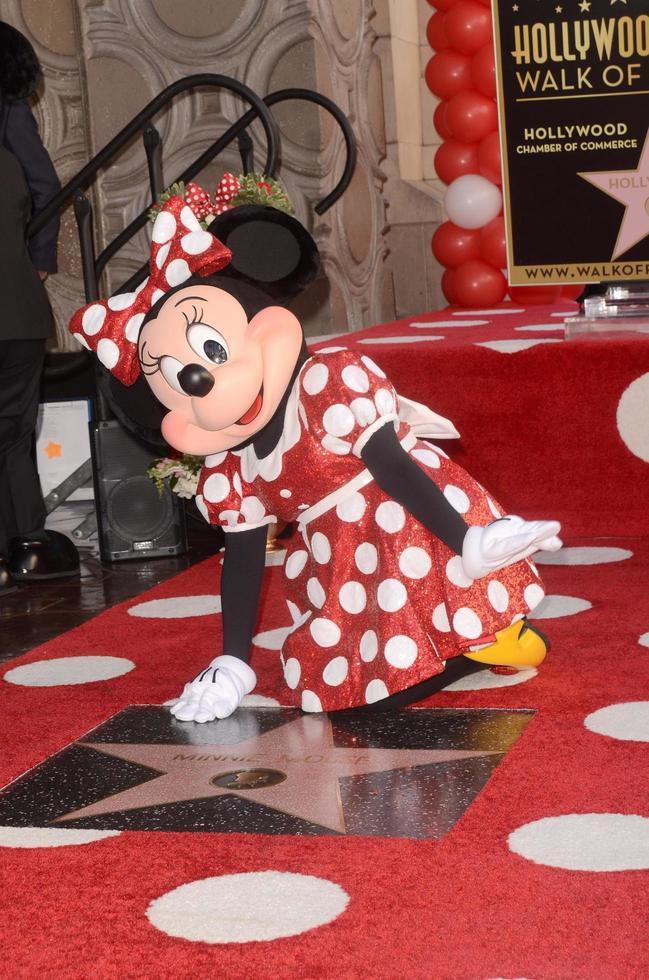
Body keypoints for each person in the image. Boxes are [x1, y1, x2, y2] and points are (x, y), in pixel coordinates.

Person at [69, 178, 562, 719]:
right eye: (184, 383)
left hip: (415, 527)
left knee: (398, 674)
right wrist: (233, 661)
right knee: (340, 700)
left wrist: (466, 539)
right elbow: (244, 559)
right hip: (344, 563)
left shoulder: (326, 384)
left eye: (213, 350)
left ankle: (485, 638)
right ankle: (471, 644)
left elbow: (393, 467)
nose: (204, 380)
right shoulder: (232, 466)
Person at [0, 21, 79, 594]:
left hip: (17, 302)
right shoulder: (9, 112)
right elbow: (44, 186)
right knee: (12, 433)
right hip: (17, 306)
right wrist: (36, 258)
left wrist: (39, 256)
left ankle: (24, 543)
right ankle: (26, 545)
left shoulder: (8, 111)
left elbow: (46, 187)